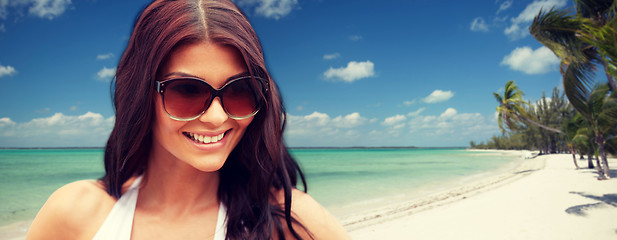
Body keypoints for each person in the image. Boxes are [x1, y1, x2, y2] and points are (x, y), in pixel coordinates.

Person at [26, 0, 350, 239]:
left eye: (240, 91)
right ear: (141, 95)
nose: (217, 116)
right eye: (187, 90)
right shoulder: (73, 214)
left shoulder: (290, 221)